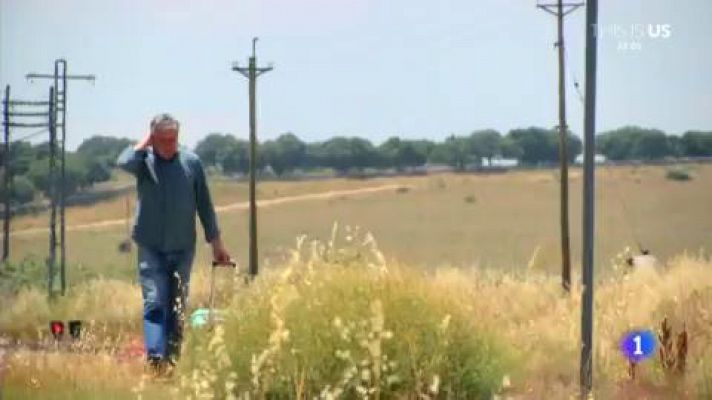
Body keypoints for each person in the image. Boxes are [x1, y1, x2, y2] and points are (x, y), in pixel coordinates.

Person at [117, 113, 231, 375]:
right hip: (151, 246)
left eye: (173, 139)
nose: (169, 145)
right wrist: (145, 142)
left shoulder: (192, 163)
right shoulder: (144, 162)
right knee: (155, 301)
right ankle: (156, 359)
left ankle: (172, 361)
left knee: (177, 306)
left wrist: (217, 243)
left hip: (182, 247)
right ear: (153, 139)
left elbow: (205, 204)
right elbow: (123, 161)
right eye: (163, 139)